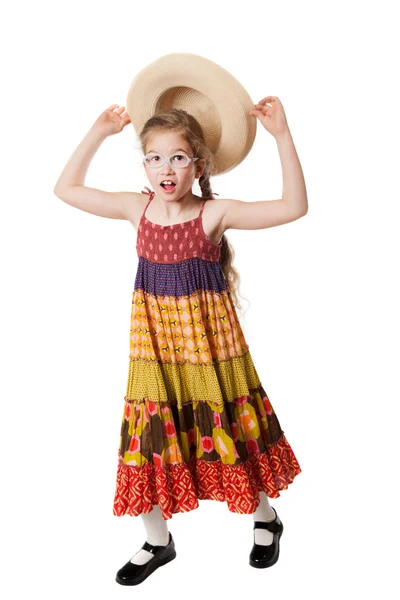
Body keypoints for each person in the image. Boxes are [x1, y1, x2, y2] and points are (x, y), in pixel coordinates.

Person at [53, 97, 307, 585]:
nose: (165, 168)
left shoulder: (214, 214)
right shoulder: (137, 207)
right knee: (145, 443)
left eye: (178, 157)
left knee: (228, 430)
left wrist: (281, 136)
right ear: (144, 163)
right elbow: (65, 189)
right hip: (154, 354)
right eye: (155, 157)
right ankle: (157, 541)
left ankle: (265, 519)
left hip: (208, 354)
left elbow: (294, 207)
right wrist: (98, 131)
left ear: (198, 165)